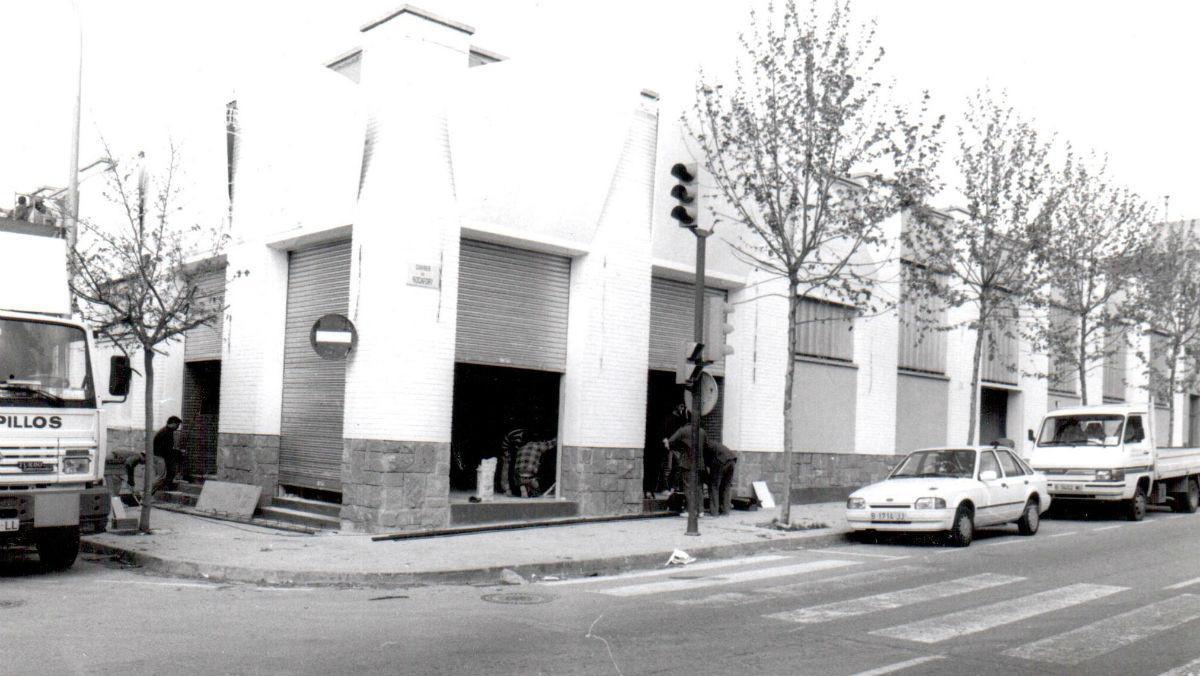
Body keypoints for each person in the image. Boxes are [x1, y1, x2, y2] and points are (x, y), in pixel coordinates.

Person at [126, 416, 185, 491]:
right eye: (177, 425)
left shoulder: (166, 431)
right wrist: (176, 452)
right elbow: (165, 448)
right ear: (172, 423)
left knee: (161, 476)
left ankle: (150, 490)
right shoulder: (166, 432)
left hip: (157, 455)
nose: (177, 427)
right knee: (161, 477)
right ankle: (148, 491)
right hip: (158, 456)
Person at [667, 421, 707, 514]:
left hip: (688, 463)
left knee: (688, 487)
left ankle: (690, 511)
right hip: (700, 464)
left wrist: (680, 448)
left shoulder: (683, 430)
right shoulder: (702, 431)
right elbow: (706, 445)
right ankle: (701, 511)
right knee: (698, 487)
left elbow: (671, 441)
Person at [705, 440, 738, 516]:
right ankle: (726, 511)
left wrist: (707, 479)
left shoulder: (702, 446)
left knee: (713, 487)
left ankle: (714, 512)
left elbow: (704, 464)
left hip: (721, 461)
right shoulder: (712, 443)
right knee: (726, 487)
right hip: (732, 460)